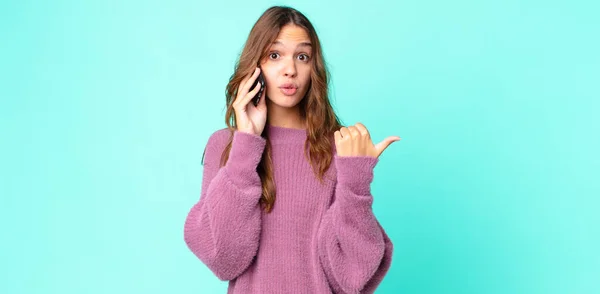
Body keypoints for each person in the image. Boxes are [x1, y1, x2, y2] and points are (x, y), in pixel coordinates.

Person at [183, 5, 401, 293]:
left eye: (302, 56)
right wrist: (246, 145)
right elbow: (224, 259)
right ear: (255, 66)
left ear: (314, 67)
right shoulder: (226, 146)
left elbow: (351, 276)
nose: (290, 70)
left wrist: (356, 183)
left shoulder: (339, 147)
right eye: (275, 55)